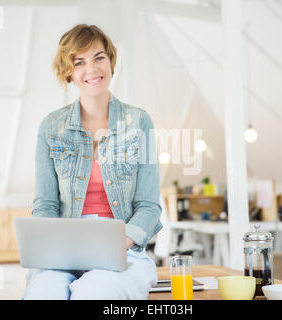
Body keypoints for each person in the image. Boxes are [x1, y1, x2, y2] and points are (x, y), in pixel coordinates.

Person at [22, 24, 163, 300]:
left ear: (110, 61)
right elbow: (46, 205)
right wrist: (54, 249)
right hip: (64, 251)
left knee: (94, 291)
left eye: (99, 57)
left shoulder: (140, 122)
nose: (92, 69)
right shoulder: (51, 127)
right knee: (44, 293)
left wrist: (116, 244)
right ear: (69, 72)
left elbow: (149, 206)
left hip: (124, 249)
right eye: (79, 62)